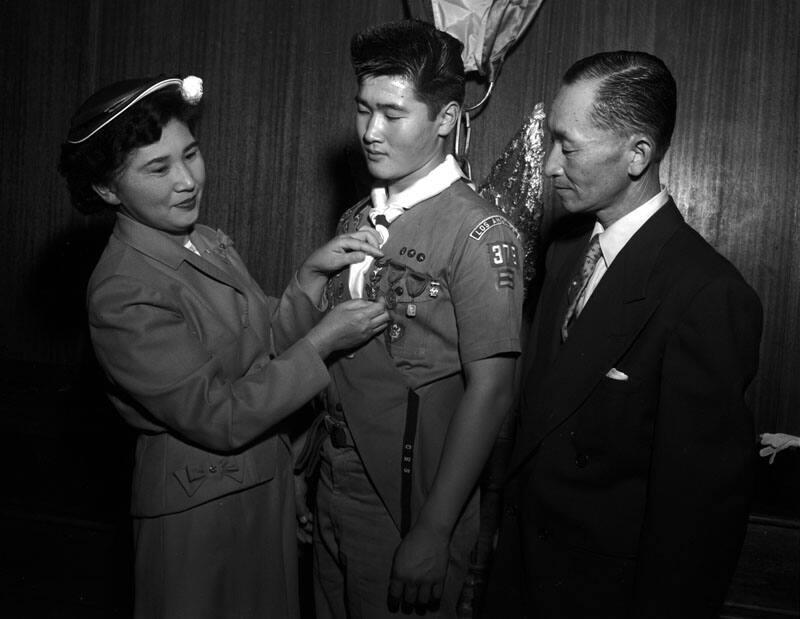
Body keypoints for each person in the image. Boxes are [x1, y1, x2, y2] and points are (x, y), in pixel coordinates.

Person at [58, 74, 390, 619]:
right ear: (108, 190)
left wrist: (308, 278)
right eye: (158, 169)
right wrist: (325, 342)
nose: (187, 180)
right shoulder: (123, 289)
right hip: (200, 512)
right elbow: (218, 414)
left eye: (190, 153)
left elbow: (258, 350)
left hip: (263, 489)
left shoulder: (202, 240)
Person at [484, 51, 764, 618]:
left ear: (638, 154)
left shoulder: (707, 295)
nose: (549, 167)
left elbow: (695, 523)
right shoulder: (566, 251)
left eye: (570, 146)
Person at [296, 19, 524, 618]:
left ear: (445, 120)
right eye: (363, 109)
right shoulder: (355, 220)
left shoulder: (480, 232)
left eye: (392, 114)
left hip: (411, 496)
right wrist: (310, 471)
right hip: (336, 483)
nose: (370, 132)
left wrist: (434, 530)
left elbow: (493, 389)